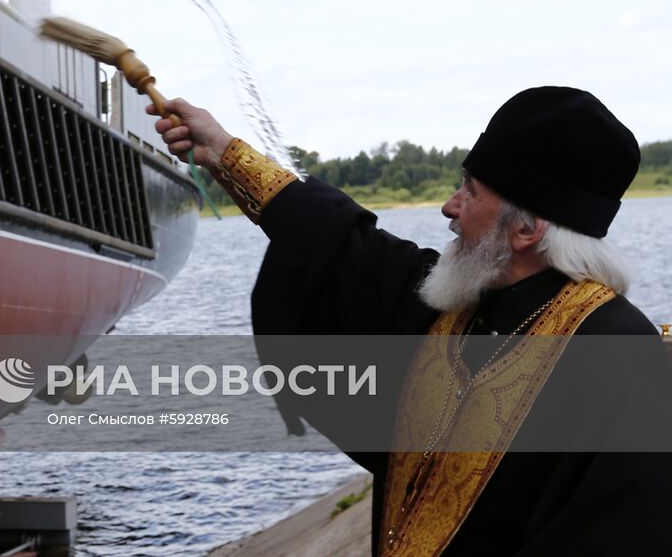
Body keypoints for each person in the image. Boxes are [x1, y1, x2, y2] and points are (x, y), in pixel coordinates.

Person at [151, 86, 672, 556]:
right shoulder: (457, 303)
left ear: (527, 229)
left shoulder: (621, 359)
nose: (449, 206)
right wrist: (222, 151)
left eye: (469, 191)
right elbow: (338, 241)